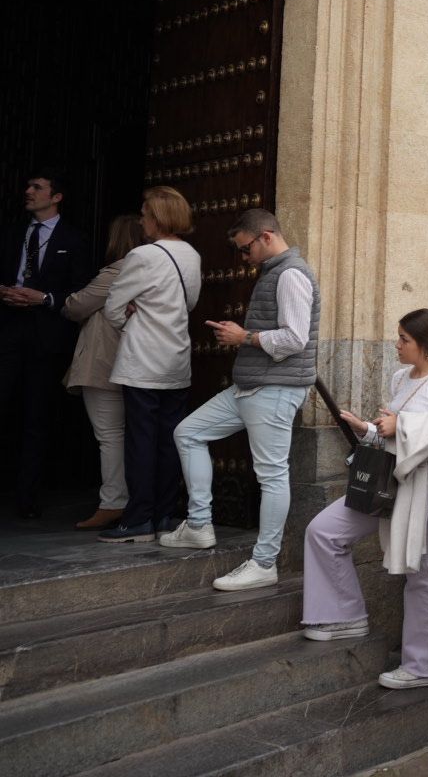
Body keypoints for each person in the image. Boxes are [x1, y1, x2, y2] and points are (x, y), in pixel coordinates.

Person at [302, 309, 428, 689]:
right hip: (388, 480)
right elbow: (392, 436)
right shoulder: (400, 378)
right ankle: (344, 614)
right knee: (323, 530)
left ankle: (426, 666)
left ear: (424, 344)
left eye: (404, 339)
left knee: (425, 574)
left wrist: (400, 425)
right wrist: (369, 430)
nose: (397, 345)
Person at [156, 209, 314, 591]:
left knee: (272, 474)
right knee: (189, 432)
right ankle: (198, 525)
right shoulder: (274, 272)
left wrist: (244, 337)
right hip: (251, 386)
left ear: (264, 236)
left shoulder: (291, 274)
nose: (244, 258)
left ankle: (264, 563)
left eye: (245, 249)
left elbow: (295, 338)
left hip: (274, 389)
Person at [99, 187, 202, 544]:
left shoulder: (142, 255)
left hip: (143, 360)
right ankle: (162, 515)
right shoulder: (190, 255)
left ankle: (138, 518)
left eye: (144, 214)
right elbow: (189, 304)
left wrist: (132, 319)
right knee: (168, 442)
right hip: (176, 360)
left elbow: (112, 308)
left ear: (157, 218)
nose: (141, 220)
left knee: (141, 441)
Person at [1, 169, 94, 519]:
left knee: (37, 417)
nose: (28, 191)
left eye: (37, 187)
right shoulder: (12, 234)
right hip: (8, 332)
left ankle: (27, 497)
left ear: (56, 197)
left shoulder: (74, 239)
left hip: (46, 339)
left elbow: (81, 290)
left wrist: (44, 298)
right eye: (28, 186)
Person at [61, 214, 143, 530]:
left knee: (109, 435)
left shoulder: (117, 272)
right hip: (137, 363)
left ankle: (114, 502)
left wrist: (63, 301)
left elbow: (76, 305)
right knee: (133, 433)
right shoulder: (152, 270)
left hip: (104, 362)